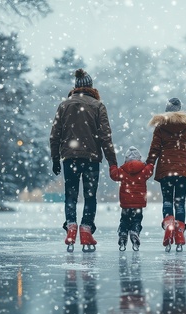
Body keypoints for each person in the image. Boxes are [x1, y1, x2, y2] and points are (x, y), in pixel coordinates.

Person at [50, 68, 117, 252]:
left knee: (70, 195)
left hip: (69, 157)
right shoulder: (97, 106)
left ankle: (71, 227)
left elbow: (54, 135)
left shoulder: (64, 105)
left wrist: (55, 157)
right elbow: (105, 136)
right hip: (91, 159)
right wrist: (113, 162)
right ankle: (86, 230)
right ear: (91, 87)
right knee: (90, 196)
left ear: (76, 87)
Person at [146, 97, 186, 252]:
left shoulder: (160, 128)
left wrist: (149, 165)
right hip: (184, 169)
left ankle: (169, 223)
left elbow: (154, 150)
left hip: (166, 169)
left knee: (167, 200)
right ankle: (179, 232)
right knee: (180, 202)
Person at [109, 146, 154, 251]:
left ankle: (123, 233)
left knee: (124, 219)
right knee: (137, 219)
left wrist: (113, 165)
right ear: (139, 159)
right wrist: (150, 163)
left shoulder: (122, 170)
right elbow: (150, 170)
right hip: (138, 203)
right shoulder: (143, 170)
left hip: (126, 203)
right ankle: (135, 231)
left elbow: (114, 174)